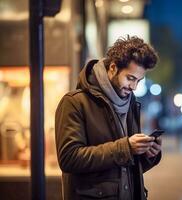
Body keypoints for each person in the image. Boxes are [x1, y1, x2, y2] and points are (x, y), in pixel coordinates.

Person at [55, 35, 162, 200]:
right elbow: (69, 158)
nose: (133, 87)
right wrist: (125, 147)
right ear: (113, 68)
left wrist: (147, 154)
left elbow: (124, 169)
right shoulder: (74, 102)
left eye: (138, 81)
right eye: (130, 78)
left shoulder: (130, 103)